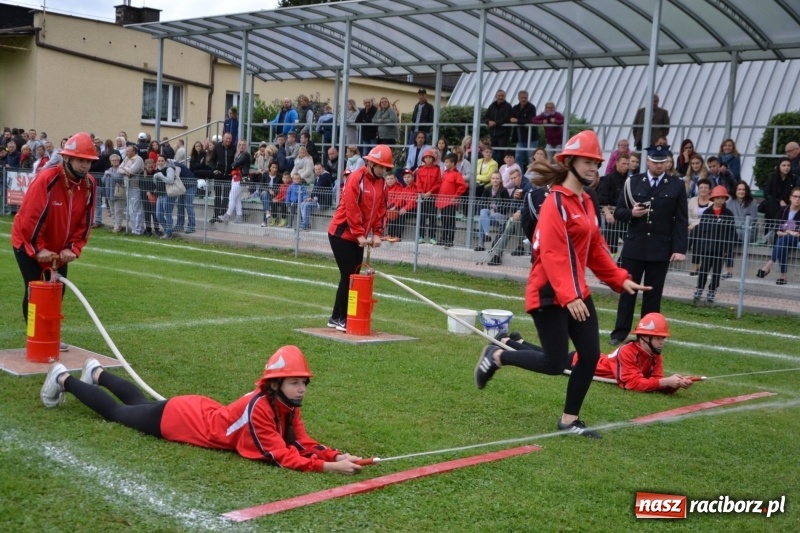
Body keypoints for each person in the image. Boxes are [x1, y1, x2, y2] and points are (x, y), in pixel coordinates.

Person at [474, 131, 649, 438]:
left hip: (574, 291)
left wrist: (620, 279)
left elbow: (596, 248)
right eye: (586, 161)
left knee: (590, 355)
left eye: (596, 162)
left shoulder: (587, 201)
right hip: (548, 293)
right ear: (569, 162)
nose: (593, 167)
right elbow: (554, 254)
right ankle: (499, 355)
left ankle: (569, 420)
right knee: (555, 363)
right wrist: (569, 297)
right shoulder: (556, 203)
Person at [40, 346, 364, 474]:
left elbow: (302, 441)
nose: (302, 388)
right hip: (180, 419)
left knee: (137, 404)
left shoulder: (286, 404)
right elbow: (281, 454)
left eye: (304, 382)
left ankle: (96, 372)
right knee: (117, 413)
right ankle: (63, 377)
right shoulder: (261, 408)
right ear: (276, 384)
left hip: (193, 409)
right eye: (295, 383)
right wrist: (328, 469)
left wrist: (335, 456)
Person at [11, 132, 98, 352]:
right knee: (36, 290)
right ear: (67, 158)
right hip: (27, 243)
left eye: (88, 161)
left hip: (59, 249)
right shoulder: (48, 179)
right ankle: (36, 339)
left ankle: (49, 338)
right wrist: (37, 248)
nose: (85, 165)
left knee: (56, 291)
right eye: (81, 160)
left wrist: (74, 247)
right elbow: (31, 216)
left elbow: (86, 220)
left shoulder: (89, 184)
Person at [610, 144, 687, 345]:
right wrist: (631, 214)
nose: (659, 165)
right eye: (655, 161)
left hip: (660, 248)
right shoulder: (633, 182)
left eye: (662, 162)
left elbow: (680, 219)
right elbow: (618, 212)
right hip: (634, 247)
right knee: (628, 292)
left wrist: (679, 249)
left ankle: (647, 333)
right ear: (648, 161)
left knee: (653, 295)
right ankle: (620, 332)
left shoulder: (676, 185)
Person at [327, 145, 390, 331]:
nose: (383, 170)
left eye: (386, 167)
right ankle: (344, 318)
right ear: (370, 163)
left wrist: (377, 233)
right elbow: (351, 208)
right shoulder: (356, 178)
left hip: (358, 236)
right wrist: (359, 234)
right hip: (341, 234)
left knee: (351, 275)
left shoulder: (382, 183)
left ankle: (336, 317)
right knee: (350, 276)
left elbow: (381, 210)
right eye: (381, 166)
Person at [692, 185, 735, 303]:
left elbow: (731, 232)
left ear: (725, 199)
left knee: (716, 271)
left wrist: (727, 248)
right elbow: (701, 231)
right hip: (707, 248)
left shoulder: (728, 214)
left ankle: (712, 290)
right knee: (703, 270)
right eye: (717, 198)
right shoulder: (707, 212)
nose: (720, 200)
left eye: (722, 198)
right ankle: (699, 289)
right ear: (713, 199)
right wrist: (701, 247)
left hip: (720, 249)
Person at [757, 186, 800, 286]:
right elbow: (777, 226)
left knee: (783, 239)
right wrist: (787, 231)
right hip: (784, 238)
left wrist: (786, 231)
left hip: (796, 240)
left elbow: (796, 232)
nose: (798, 199)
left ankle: (769, 265)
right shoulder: (784, 210)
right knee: (783, 242)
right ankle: (783, 277)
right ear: (790, 198)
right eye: (795, 196)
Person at [598, 152, 629, 255]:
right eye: (623, 164)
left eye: (627, 164)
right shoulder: (609, 179)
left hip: (625, 216)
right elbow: (603, 199)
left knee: (629, 243)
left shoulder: (629, 180)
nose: (626, 166)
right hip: (613, 217)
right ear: (617, 163)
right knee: (611, 247)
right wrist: (607, 213)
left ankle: (620, 264)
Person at [435, 154, 467, 247]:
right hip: (443, 201)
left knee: (450, 221)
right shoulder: (445, 173)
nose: (446, 163)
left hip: (450, 202)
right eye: (445, 162)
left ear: (453, 163)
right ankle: (443, 238)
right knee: (444, 220)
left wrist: (455, 196)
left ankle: (450, 239)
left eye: (447, 162)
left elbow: (463, 186)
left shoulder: (456, 174)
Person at [474, 171, 510, 251]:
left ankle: (481, 244)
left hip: (499, 215)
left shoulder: (504, 191)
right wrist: (490, 209)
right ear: (491, 180)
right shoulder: (487, 189)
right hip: (489, 214)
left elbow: (507, 206)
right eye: (493, 178)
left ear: (500, 180)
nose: (495, 180)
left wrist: (496, 209)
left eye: (497, 178)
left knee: (482, 219)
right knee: (483, 212)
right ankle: (487, 234)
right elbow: (482, 203)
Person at [219, 139, 252, 224]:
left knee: (232, 196)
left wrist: (234, 165)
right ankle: (239, 216)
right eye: (240, 145)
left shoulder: (246, 154)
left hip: (241, 178)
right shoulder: (239, 154)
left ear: (246, 146)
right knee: (237, 199)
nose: (241, 146)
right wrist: (234, 165)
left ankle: (227, 215)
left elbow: (235, 164)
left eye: (243, 145)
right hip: (236, 178)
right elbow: (234, 164)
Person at [415, 149, 442, 244]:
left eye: (430, 157)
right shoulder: (420, 169)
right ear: (424, 159)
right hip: (422, 197)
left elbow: (438, 183)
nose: (428, 159)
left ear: (433, 159)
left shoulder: (437, 169)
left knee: (432, 217)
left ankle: (432, 236)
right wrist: (422, 192)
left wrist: (430, 192)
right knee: (422, 217)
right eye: (426, 157)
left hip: (432, 197)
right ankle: (421, 236)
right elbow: (418, 183)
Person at [687, 178, 712, 275]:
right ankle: (696, 264)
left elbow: (709, 219)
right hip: (694, 229)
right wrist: (694, 224)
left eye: (706, 188)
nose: (703, 189)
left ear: (710, 190)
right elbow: (688, 216)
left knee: (696, 231)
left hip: (708, 230)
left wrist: (695, 224)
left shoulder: (713, 202)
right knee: (697, 233)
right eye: (701, 187)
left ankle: (695, 264)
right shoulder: (692, 200)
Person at [210, 132, 236, 222]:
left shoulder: (234, 148)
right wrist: (214, 169)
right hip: (219, 174)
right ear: (223, 139)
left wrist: (233, 170)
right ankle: (215, 215)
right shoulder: (217, 147)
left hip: (229, 175)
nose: (228, 140)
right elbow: (212, 160)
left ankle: (222, 215)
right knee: (217, 196)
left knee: (226, 196)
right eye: (227, 138)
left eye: (230, 139)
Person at [119, 144, 145, 235]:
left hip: (135, 187)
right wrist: (127, 170)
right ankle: (134, 229)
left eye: (128, 151)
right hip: (127, 186)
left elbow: (131, 171)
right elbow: (119, 169)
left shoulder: (138, 159)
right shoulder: (126, 159)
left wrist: (126, 169)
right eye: (126, 151)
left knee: (136, 209)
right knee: (130, 210)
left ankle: (138, 230)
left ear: (133, 152)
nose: (126, 153)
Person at [300, 163, 335, 230]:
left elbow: (317, 188)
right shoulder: (318, 178)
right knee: (302, 204)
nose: (317, 171)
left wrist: (311, 197)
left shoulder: (325, 176)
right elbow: (315, 189)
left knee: (307, 205)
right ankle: (303, 223)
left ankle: (306, 225)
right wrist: (312, 198)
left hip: (324, 202)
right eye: (316, 169)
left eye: (319, 169)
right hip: (318, 200)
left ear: (323, 169)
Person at [510, 90, 538, 168]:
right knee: (518, 158)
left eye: (525, 97)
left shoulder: (531, 107)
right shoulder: (515, 108)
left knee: (532, 159)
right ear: (518, 98)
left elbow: (531, 120)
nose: (523, 99)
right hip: (520, 139)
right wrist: (515, 120)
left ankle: (532, 178)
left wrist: (517, 120)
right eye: (522, 97)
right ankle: (519, 177)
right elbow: (511, 118)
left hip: (531, 138)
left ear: (527, 98)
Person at [152, 155, 177, 239]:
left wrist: (160, 176)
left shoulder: (169, 169)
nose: (160, 162)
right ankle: (168, 229)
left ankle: (168, 232)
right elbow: (156, 181)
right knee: (158, 214)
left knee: (167, 213)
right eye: (158, 161)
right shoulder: (158, 169)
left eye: (162, 161)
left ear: (165, 161)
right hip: (160, 194)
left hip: (168, 194)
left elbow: (170, 180)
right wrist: (155, 178)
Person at [485, 89, 513, 163]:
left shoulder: (508, 106)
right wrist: (489, 121)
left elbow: (506, 118)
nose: (500, 97)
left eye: (502, 96)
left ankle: (500, 168)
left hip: (503, 134)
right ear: (496, 96)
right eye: (499, 96)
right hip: (493, 134)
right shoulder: (492, 106)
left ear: (505, 96)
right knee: (493, 152)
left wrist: (495, 123)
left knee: (501, 153)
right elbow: (486, 116)